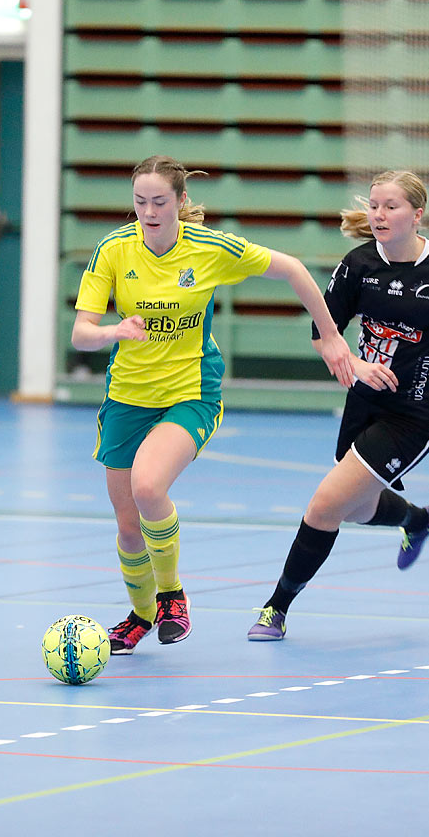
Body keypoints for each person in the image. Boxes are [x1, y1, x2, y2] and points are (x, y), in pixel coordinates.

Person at [72, 155, 356, 654]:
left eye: (160, 201)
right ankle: (140, 616)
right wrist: (113, 330)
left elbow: (292, 269)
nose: (149, 211)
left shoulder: (208, 249)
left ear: (181, 203)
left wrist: (330, 336)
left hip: (190, 392)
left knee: (148, 486)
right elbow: (81, 334)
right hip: (126, 398)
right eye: (140, 202)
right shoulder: (114, 250)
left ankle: (172, 595)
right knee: (126, 524)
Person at [247, 170, 429, 641]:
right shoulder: (358, 264)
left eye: (391, 207)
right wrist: (353, 363)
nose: (379, 215)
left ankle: (275, 608)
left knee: (325, 505)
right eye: (374, 206)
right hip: (365, 400)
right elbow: (323, 335)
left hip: (418, 412)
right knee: (355, 507)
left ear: (417, 214)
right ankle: (418, 519)